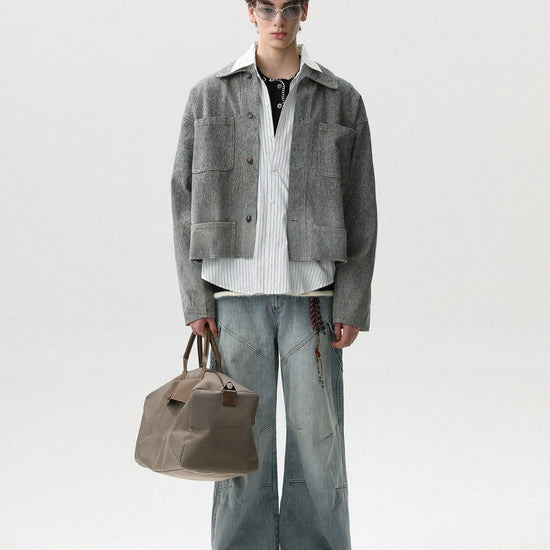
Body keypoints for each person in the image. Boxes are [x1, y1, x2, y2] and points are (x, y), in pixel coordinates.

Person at [170, 1, 377, 548]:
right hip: (233, 302)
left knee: (319, 449)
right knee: (239, 450)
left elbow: (362, 209)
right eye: (266, 7)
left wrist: (352, 303)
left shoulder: (341, 99)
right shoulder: (209, 95)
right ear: (250, 11)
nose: (278, 19)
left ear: (305, 10)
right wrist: (196, 299)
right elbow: (183, 203)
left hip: (314, 300)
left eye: (289, 7)